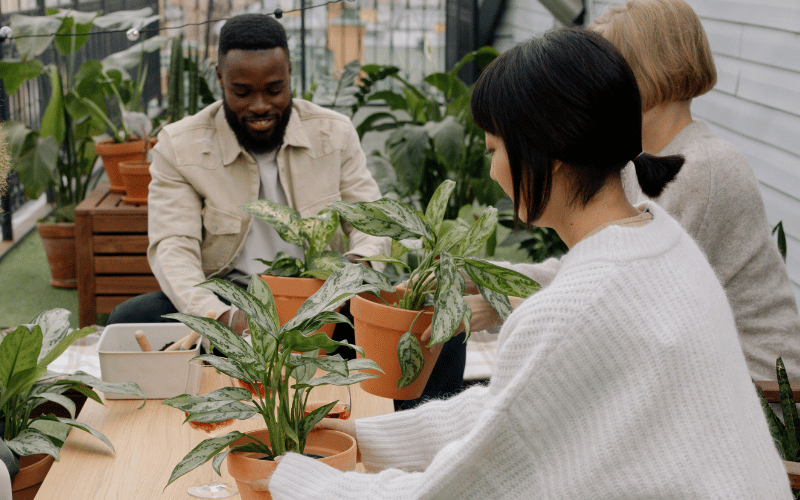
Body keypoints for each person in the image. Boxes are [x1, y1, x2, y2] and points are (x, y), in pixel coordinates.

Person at [266, 28, 792, 499]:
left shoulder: (575, 309)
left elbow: (455, 490)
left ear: (550, 151)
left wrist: (293, 475)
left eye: (496, 148)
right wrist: (361, 437)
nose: (492, 170)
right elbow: (515, 411)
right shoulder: (660, 237)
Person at [464, 0, 800, 381]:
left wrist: (499, 303)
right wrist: (481, 275)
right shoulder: (641, 165)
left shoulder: (703, 169)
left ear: (639, 74)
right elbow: (584, 272)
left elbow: (626, 304)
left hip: (761, 396)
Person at [106, 14, 387, 331]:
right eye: (242, 92)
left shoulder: (333, 133)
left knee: (431, 329)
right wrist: (222, 318)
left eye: (274, 89)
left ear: (289, 74)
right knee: (128, 320)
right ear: (221, 79)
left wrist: (354, 270)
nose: (260, 105)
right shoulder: (180, 147)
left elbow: (371, 222)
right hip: (232, 298)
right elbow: (174, 248)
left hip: (322, 295)